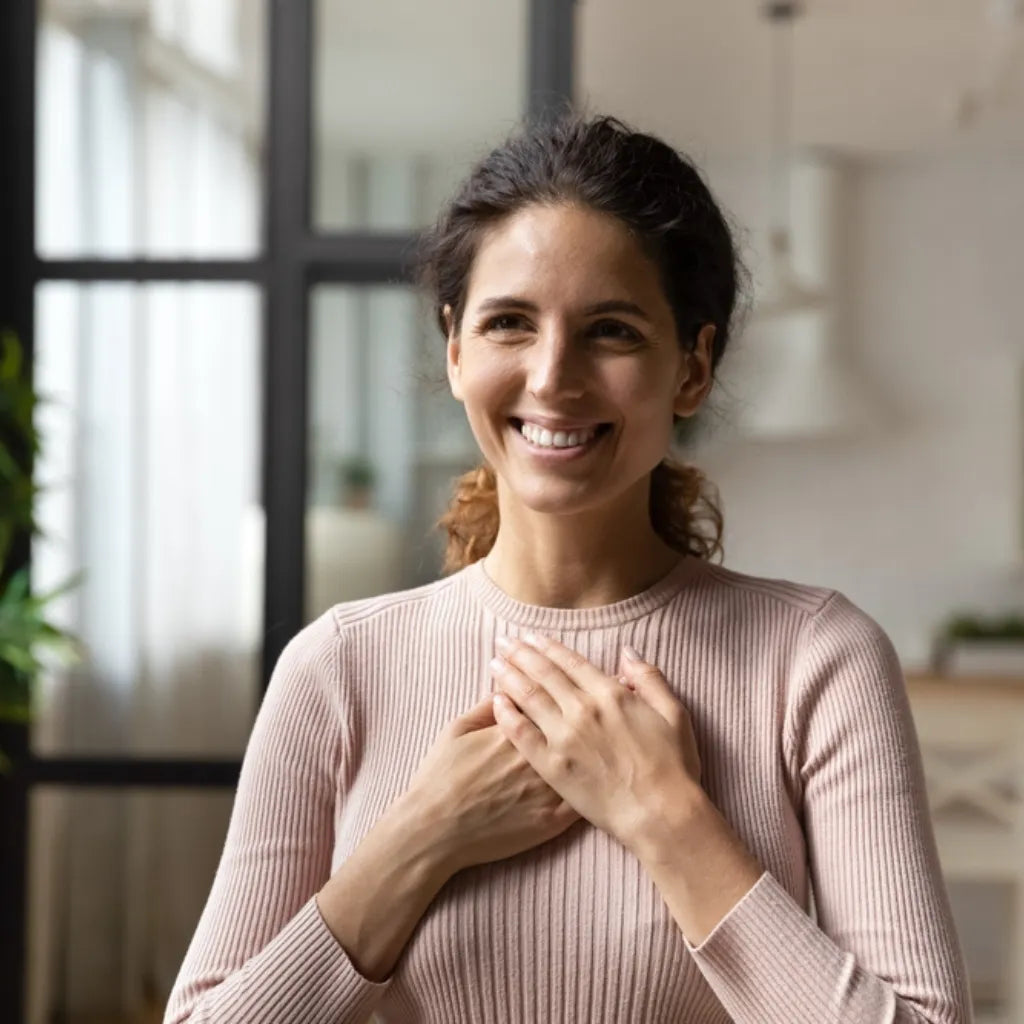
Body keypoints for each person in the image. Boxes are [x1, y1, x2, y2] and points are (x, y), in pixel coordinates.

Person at [164, 114, 972, 1024]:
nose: (552, 377)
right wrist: (421, 836)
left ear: (692, 368)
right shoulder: (336, 668)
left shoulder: (818, 659)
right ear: (456, 348)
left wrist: (665, 818)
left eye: (612, 331)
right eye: (509, 322)